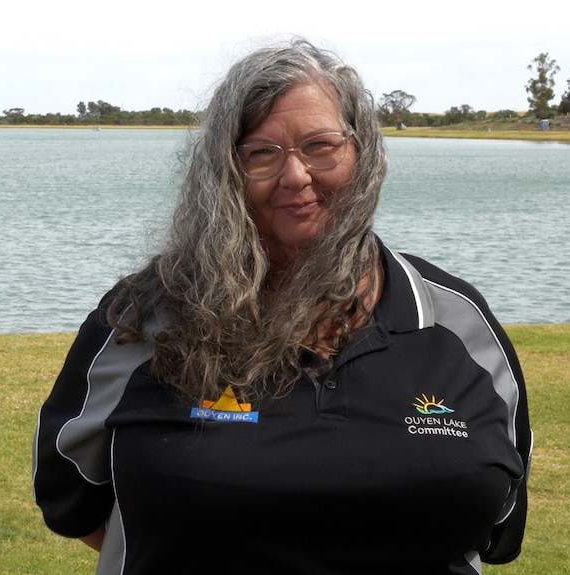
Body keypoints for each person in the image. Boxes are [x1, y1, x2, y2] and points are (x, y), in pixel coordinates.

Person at [32, 37, 532, 575]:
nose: (297, 176)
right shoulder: (144, 319)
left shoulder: (455, 323)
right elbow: (73, 499)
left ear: (363, 154)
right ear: (224, 173)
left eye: (321, 146)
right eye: (262, 154)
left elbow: (498, 520)